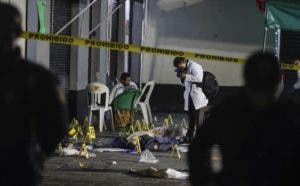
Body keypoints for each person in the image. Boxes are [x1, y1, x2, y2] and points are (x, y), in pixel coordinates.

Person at [188, 51, 300, 186]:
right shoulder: (290, 113)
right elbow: (198, 148)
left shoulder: (228, 108)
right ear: (277, 80)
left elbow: (197, 149)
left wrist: (208, 179)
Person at [0, 3, 68, 185]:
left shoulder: (37, 79)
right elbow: (57, 126)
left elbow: (57, 126)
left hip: (19, 169)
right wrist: (37, 154)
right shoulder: (37, 77)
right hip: (20, 168)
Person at [173, 57, 208, 142]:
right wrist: (182, 78)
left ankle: (202, 139)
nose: (180, 68)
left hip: (197, 97)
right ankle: (189, 138)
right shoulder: (185, 68)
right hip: (189, 97)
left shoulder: (195, 66)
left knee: (199, 120)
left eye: (180, 66)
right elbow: (184, 84)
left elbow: (199, 78)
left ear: (184, 61)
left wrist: (186, 75)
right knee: (191, 119)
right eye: (179, 67)